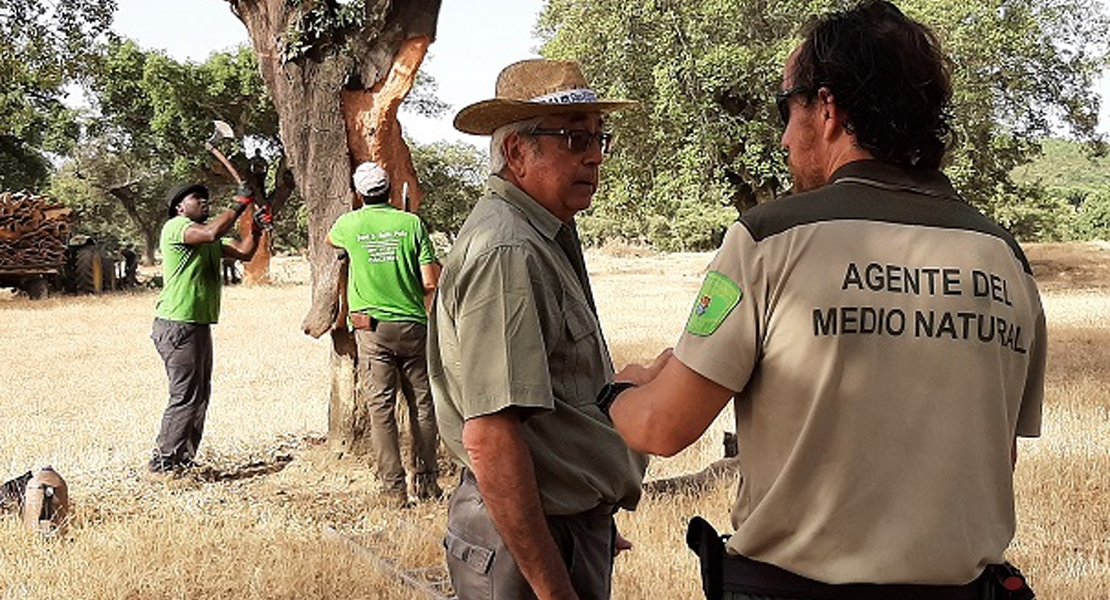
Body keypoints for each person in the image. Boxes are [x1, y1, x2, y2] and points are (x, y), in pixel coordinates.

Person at [600, 2, 1046, 599]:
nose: (784, 137)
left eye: (787, 108)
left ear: (828, 110)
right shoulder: (1004, 257)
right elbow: (996, 458)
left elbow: (661, 426)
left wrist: (616, 394)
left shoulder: (767, 239)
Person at [428, 59, 653, 600]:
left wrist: (585, 512)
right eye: (575, 137)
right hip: (524, 545)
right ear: (516, 152)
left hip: (552, 526)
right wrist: (554, 585)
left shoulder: (542, 232)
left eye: (599, 136)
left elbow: (553, 408)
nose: (595, 155)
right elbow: (491, 440)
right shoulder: (509, 251)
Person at [327, 161, 442, 507]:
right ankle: (426, 482)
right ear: (391, 189)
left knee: (381, 409)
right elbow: (430, 281)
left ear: (359, 194)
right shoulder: (412, 224)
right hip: (413, 327)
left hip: (371, 330)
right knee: (422, 405)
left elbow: (329, 241)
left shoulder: (349, 224)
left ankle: (393, 489)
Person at [149, 181, 270, 473]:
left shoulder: (207, 239)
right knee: (185, 395)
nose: (204, 202)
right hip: (178, 324)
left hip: (198, 324)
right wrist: (241, 202)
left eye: (206, 198)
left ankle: (183, 459)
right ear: (180, 207)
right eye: (196, 198)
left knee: (200, 395)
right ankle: (163, 462)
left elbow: (244, 253)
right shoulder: (177, 228)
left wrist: (255, 228)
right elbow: (214, 230)